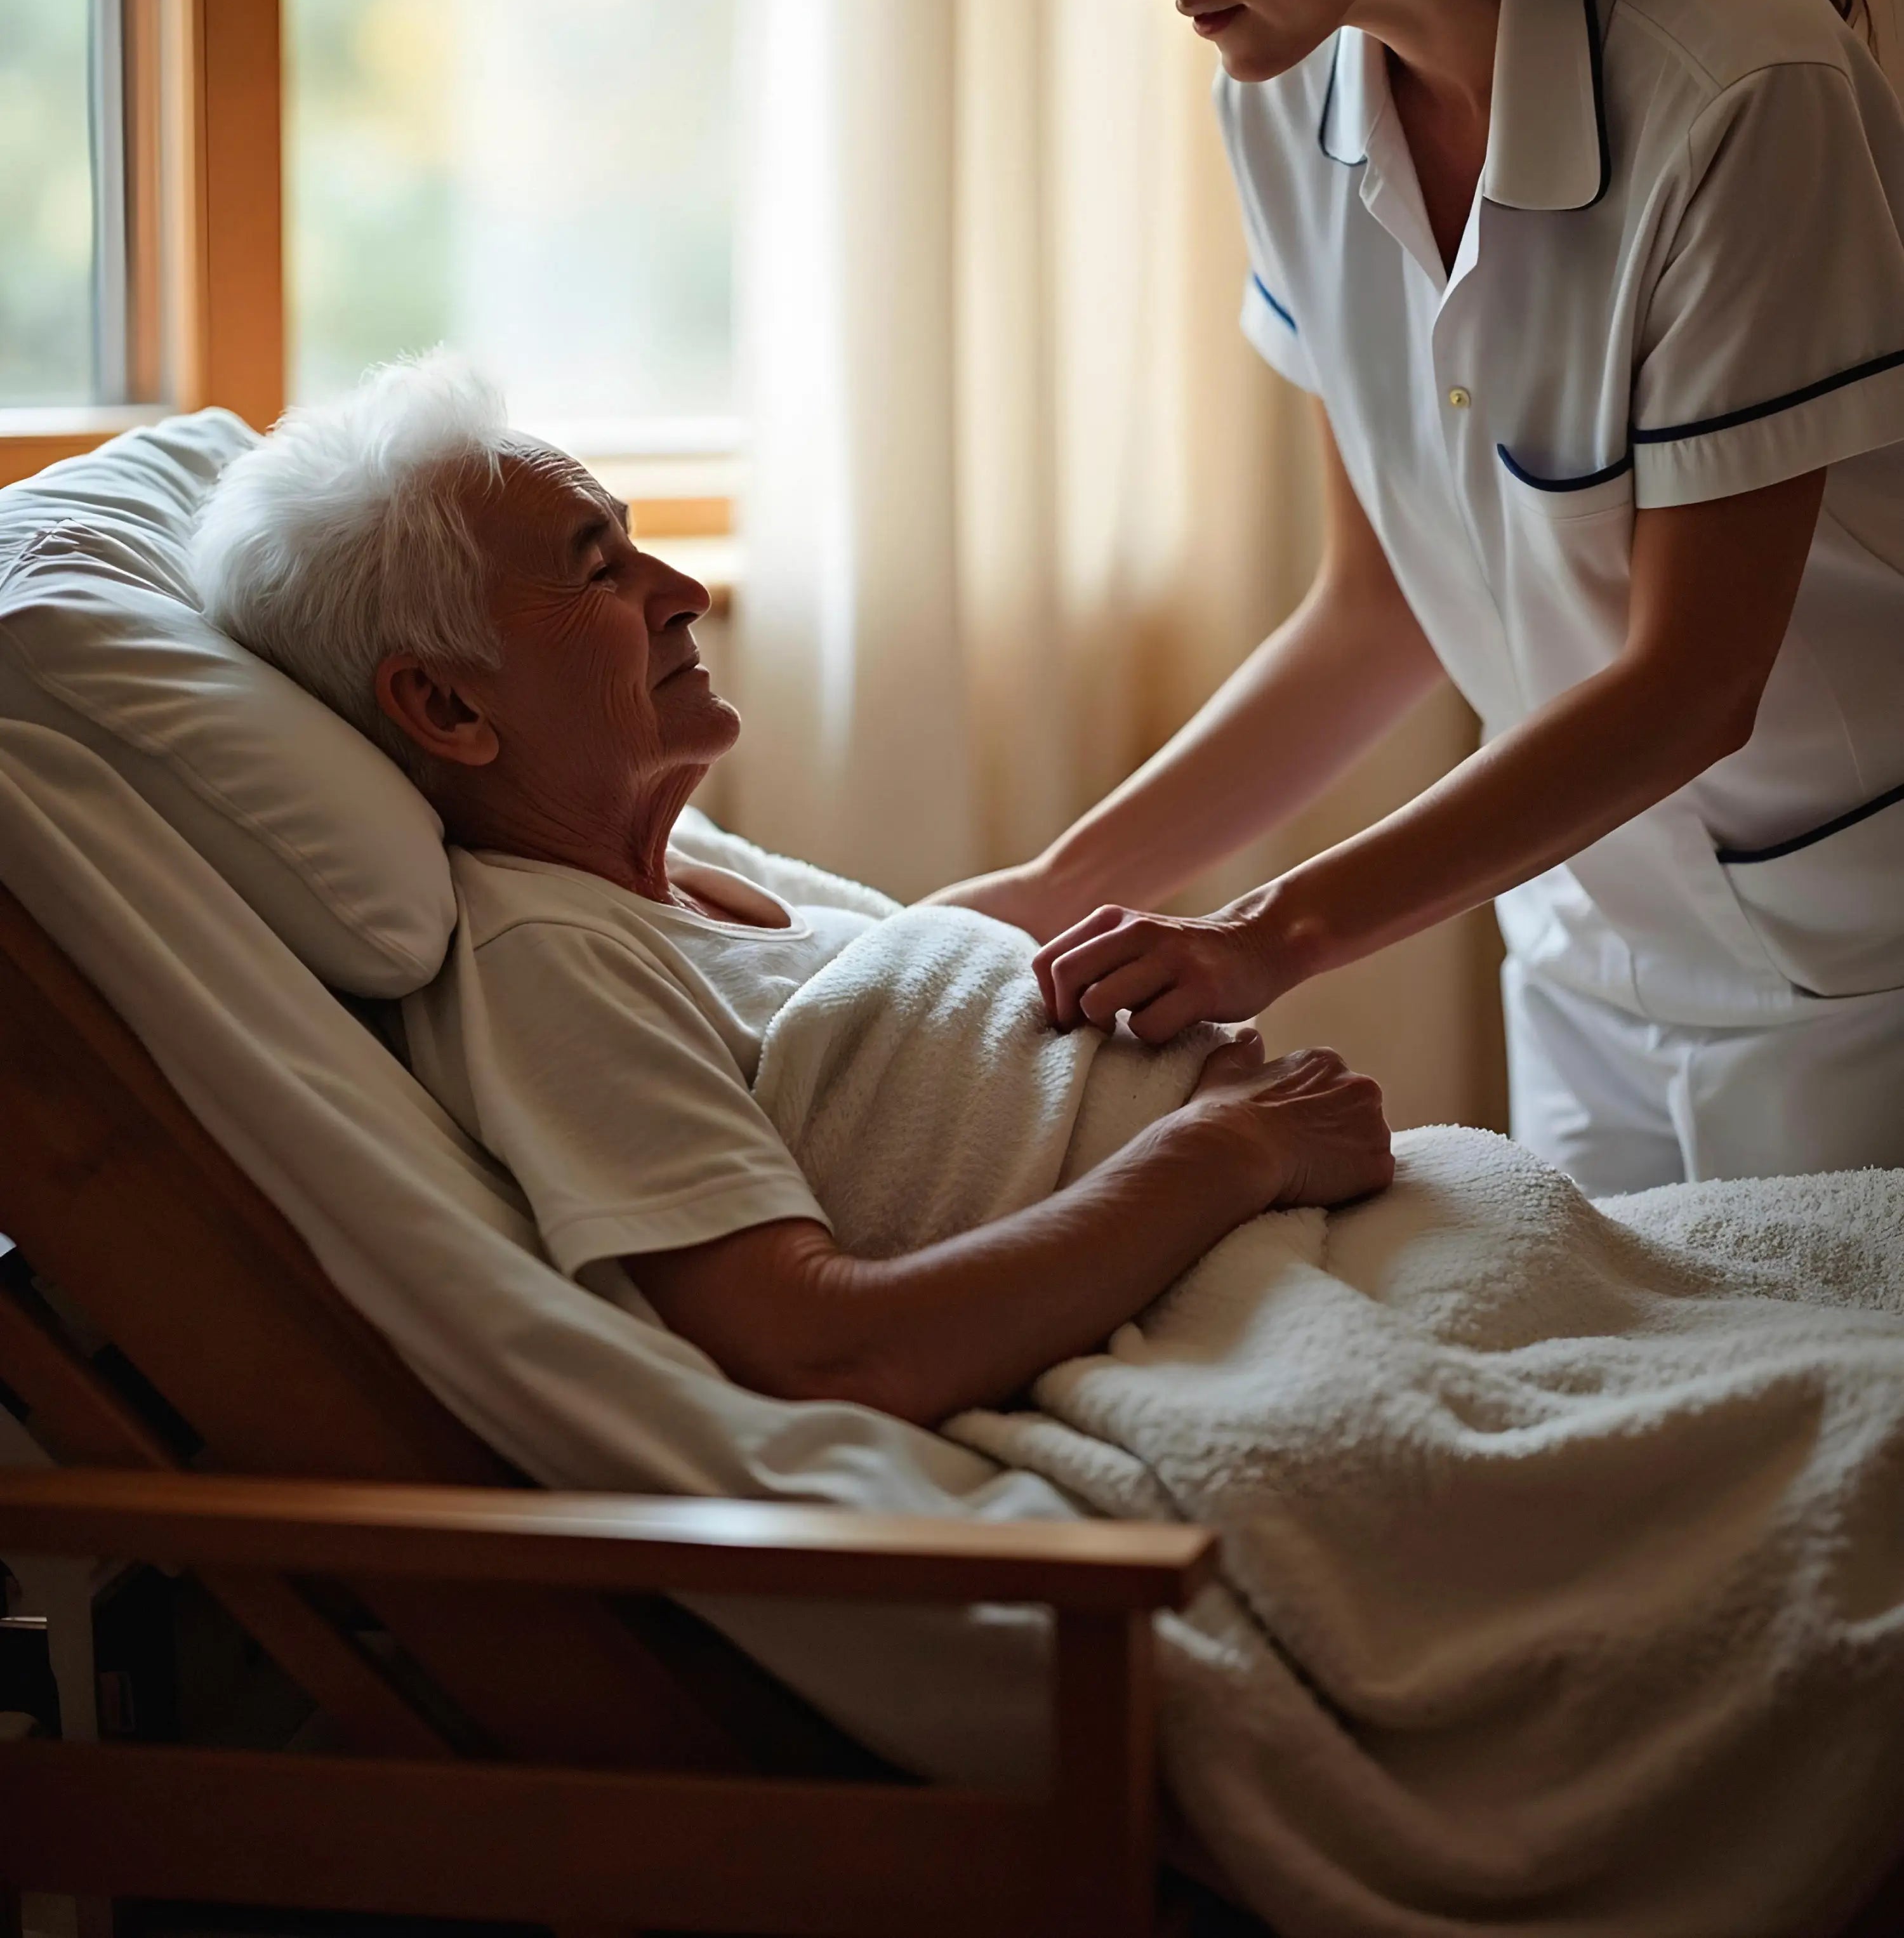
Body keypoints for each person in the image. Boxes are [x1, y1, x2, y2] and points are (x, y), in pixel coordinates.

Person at [936, 0, 1904, 1196]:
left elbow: (1693, 684)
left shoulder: (1739, 89)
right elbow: (1377, 615)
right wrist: (1047, 888)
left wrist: (1269, 937)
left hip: (1857, 971)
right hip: (1584, 952)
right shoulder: (1292, 102)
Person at [190, 352, 1392, 1427]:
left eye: (634, 537)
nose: (685, 591)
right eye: (598, 569)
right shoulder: (553, 960)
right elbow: (828, 1351)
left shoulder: (681, 867)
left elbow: (951, 989)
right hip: (1264, 1308)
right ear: (449, 707)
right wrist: (1232, 1151)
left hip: (1327, 1240)